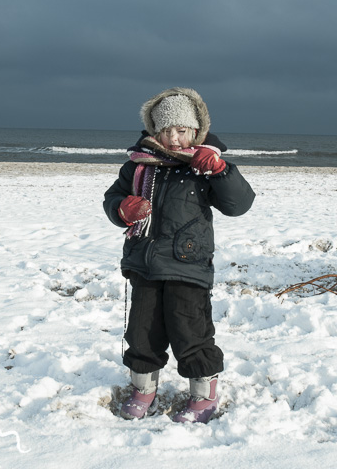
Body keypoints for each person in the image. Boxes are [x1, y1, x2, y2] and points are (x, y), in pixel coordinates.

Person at [103, 87, 255, 423]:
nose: (174, 139)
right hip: (144, 264)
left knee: (191, 333)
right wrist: (121, 209)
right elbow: (111, 198)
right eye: (166, 131)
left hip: (189, 266)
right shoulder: (139, 165)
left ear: (196, 130)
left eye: (182, 130)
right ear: (154, 131)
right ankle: (144, 390)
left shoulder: (204, 165)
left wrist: (220, 170)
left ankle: (204, 395)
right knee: (141, 332)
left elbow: (239, 204)